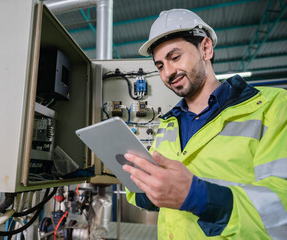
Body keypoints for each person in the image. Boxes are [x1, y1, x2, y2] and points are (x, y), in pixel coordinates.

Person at [122, 9, 287, 240]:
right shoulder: (168, 123)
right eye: (160, 66)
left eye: (175, 57)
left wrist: (198, 197)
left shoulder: (273, 107)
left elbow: (282, 210)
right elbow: (157, 193)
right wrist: (145, 190)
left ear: (206, 49)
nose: (168, 72)